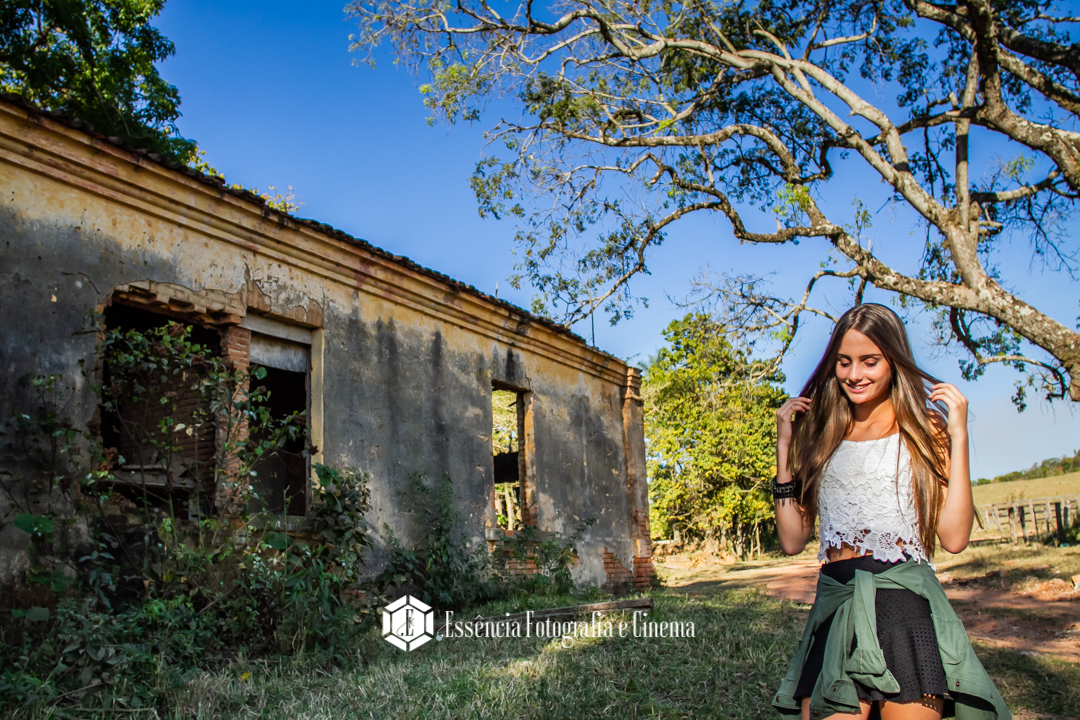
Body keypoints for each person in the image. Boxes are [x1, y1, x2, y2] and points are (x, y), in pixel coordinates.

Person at [769, 304, 1010, 720]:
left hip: (903, 608)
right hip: (837, 606)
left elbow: (953, 538)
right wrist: (785, 447)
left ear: (893, 361)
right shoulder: (822, 434)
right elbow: (793, 540)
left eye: (869, 361)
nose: (854, 374)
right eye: (844, 362)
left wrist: (958, 435)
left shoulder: (924, 430)